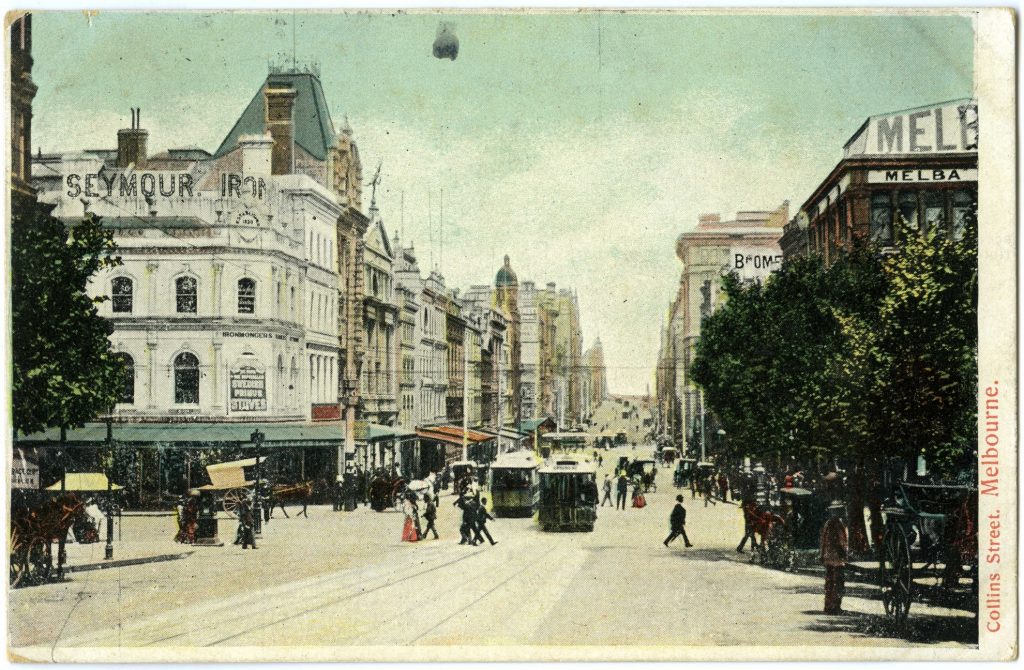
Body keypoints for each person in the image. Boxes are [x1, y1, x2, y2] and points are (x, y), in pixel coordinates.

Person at [820, 502, 849, 615]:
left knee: (829, 582)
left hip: (828, 557)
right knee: (837, 583)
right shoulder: (838, 524)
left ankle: (828, 605)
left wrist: (822, 555)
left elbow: (823, 540)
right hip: (837, 558)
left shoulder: (828, 523)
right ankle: (835, 606)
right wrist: (845, 553)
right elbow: (841, 541)